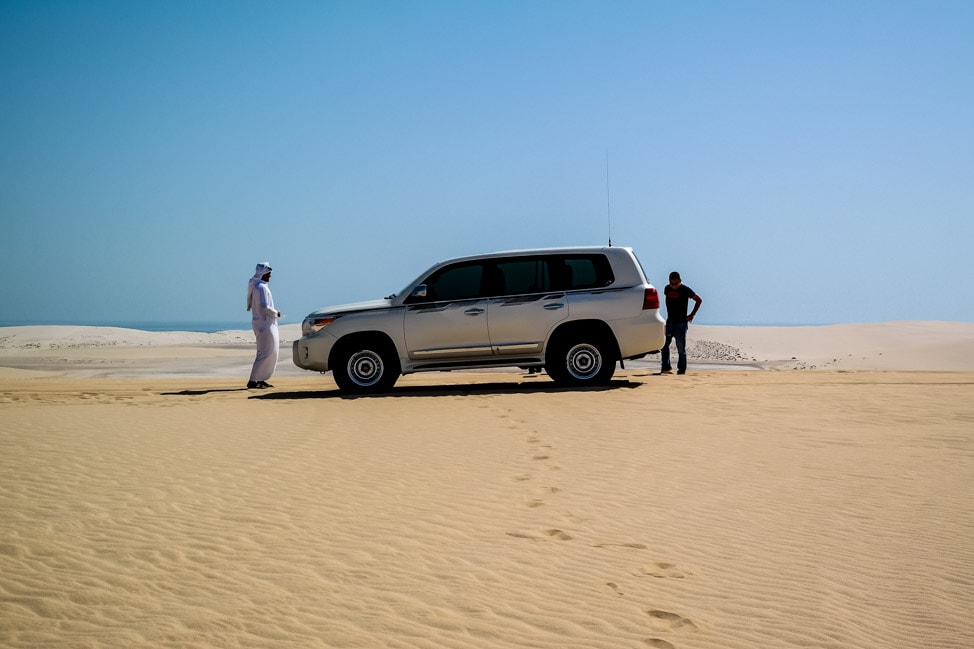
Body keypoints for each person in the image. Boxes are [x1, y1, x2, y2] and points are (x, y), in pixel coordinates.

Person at [246, 262, 281, 389]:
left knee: (272, 352)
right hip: (264, 324)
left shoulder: (261, 286)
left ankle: (261, 379)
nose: (270, 276)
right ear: (263, 273)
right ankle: (253, 380)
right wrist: (276, 312)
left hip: (266, 323)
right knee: (265, 353)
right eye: (269, 274)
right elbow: (264, 307)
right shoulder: (260, 287)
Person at [660, 271, 702, 375]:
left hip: (681, 323)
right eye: (672, 284)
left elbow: (698, 300)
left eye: (676, 284)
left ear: (680, 281)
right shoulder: (667, 289)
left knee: (681, 348)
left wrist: (692, 314)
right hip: (670, 322)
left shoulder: (685, 290)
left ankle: (682, 370)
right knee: (664, 345)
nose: (673, 286)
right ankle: (666, 367)